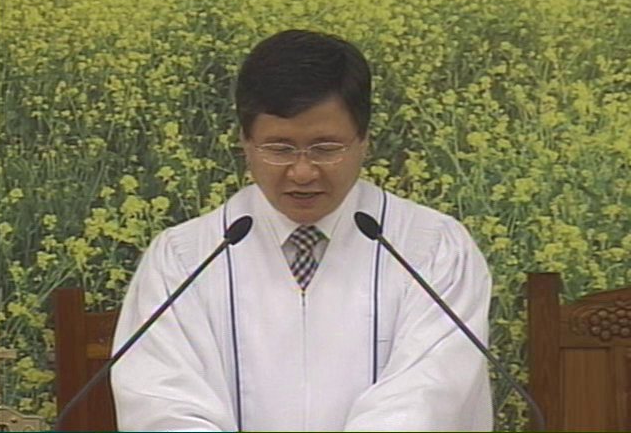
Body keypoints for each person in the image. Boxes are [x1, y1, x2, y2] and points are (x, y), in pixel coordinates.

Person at [111, 29, 493, 431]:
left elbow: (427, 398)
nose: (303, 172)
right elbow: (163, 404)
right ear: (245, 142)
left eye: (326, 148)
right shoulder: (183, 259)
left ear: (364, 139)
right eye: (279, 149)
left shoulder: (433, 249)